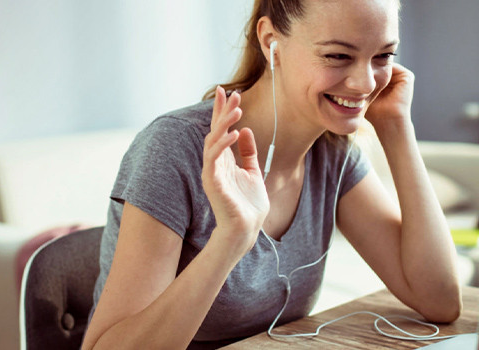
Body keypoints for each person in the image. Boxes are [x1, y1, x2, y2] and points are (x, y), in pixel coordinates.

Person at [82, 0, 459, 348]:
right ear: (270, 41)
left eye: (383, 56)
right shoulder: (174, 149)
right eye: (338, 55)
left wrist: (395, 127)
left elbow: (439, 300)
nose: (366, 83)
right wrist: (231, 239)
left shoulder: (333, 154)